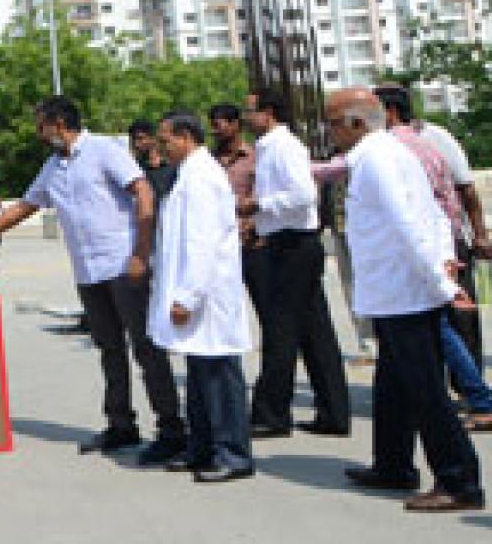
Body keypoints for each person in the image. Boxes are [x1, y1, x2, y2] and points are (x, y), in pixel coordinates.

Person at [0, 95, 186, 464]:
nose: (38, 134)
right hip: (88, 271)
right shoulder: (53, 167)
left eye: (41, 126)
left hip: (122, 266)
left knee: (146, 350)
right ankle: (121, 425)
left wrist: (141, 253)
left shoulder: (104, 150)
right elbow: (26, 205)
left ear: (59, 124)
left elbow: (143, 191)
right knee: (109, 349)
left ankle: (172, 430)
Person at [325, 88, 484, 513]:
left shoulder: (378, 159)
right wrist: (445, 261)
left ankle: (459, 479)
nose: (330, 133)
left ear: (358, 123)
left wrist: (442, 280)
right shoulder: (390, 153)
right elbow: (429, 211)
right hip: (394, 291)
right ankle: (393, 463)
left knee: (426, 390)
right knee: (393, 385)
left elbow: (409, 221)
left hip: (405, 292)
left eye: (334, 123)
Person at [372, 86, 492, 432]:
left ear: (389, 112)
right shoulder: (398, 146)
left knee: (450, 325)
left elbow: (465, 190)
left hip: (439, 246)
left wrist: (479, 235)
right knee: (436, 326)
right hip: (429, 247)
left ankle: (475, 396)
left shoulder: (426, 141)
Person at [150, 110, 254, 484]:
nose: (161, 150)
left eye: (166, 141)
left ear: (185, 137)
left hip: (207, 294)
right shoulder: (189, 174)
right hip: (195, 292)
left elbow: (203, 242)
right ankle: (202, 447)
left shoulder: (203, 177)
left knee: (220, 375)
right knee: (198, 375)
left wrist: (188, 296)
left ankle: (233, 454)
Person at [238, 92, 350, 438]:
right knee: (314, 332)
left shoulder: (283, 147)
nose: (245, 116)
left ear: (268, 113)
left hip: (293, 246)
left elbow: (304, 195)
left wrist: (260, 204)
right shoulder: (271, 148)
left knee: (280, 330)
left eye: (250, 110)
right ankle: (333, 410)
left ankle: (272, 413)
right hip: (287, 242)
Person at [310, 154, 376, 363]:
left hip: (366, 232)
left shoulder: (366, 157)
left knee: (372, 285)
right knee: (350, 286)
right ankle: (368, 343)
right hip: (340, 230)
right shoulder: (333, 158)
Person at [208, 104, 268, 331]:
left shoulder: (255, 157)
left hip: (252, 243)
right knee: (224, 311)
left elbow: (264, 196)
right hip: (221, 247)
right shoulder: (209, 162)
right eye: (213, 125)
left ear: (236, 125)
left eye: (220, 124)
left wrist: (252, 223)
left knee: (266, 306)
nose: (216, 131)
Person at [129, 120, 177, 205]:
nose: (136, 144)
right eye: (133, 139)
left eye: (140, 138)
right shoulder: (133, 168)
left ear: (153, 139)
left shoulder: (173, 166)